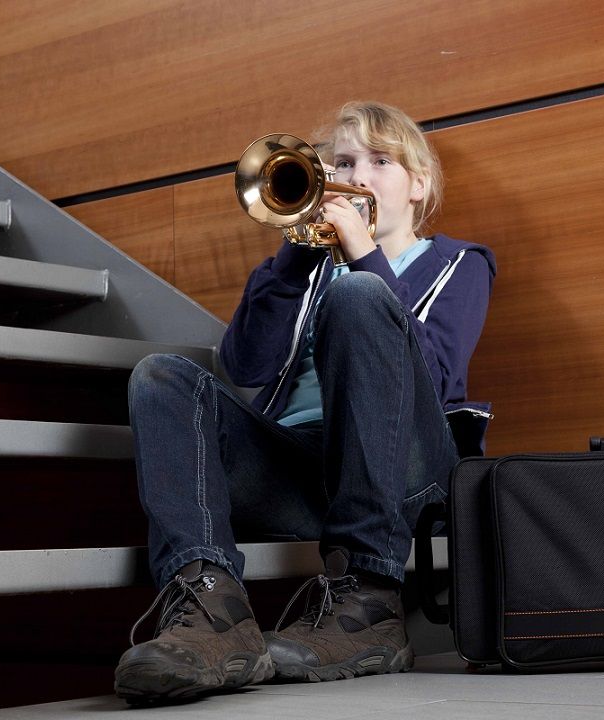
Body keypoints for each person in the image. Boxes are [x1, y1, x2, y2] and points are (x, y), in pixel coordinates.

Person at [113, 101, 496, 704]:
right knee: (162, 376)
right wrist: (293, 257)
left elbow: (439, 377)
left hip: (405, 476)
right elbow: (243, 367)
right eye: (342, 162)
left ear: (419, 185)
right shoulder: (307, 267)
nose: (357, 176)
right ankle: (211, 607)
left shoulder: (459, 264)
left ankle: (369, 600)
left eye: (380, 161)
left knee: (360, 298)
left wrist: (364, 257)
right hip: (300, 473)